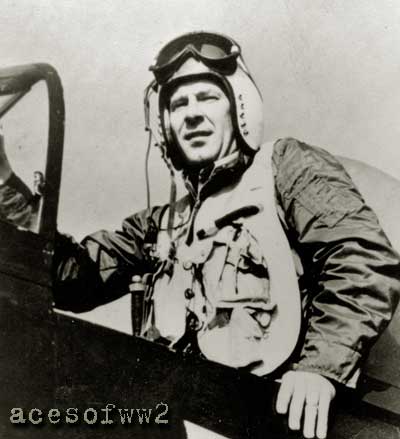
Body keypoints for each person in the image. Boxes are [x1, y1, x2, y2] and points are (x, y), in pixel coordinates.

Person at [1, 32, 399, 439]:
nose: (191, 114)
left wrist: (320, 369)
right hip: (191, 415)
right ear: (164, 125)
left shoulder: (286, 167)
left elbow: (361, 258)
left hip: (279, 417)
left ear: (239, 107)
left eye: (208, 98)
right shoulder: (162, 225)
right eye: (178, 104)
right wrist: (4, 183)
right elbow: (71, 278)